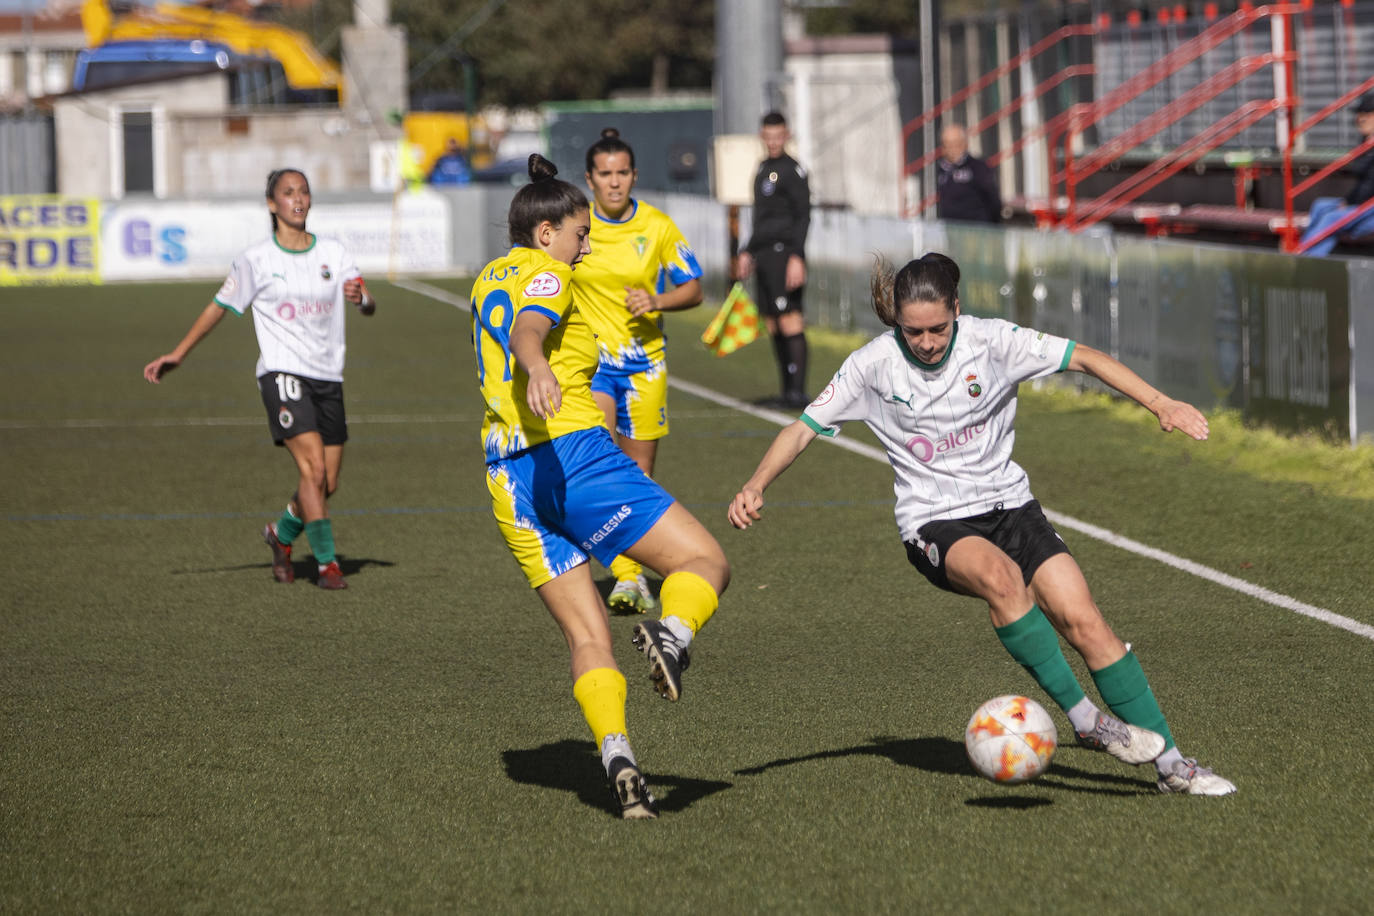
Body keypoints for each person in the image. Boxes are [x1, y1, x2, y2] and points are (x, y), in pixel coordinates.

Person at [727, 252, 1236, 797]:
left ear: (958, 310)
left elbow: (1083, 357)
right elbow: (802, 429)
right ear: (896, 320)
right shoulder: (871, 365)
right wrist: (756, 483)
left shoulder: (993, 341)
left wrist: (1160, 404)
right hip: (934, 520)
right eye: (912, 331)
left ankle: (1174, 766)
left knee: (1085, 621)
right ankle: (1086, 720)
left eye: (937, 328)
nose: (925, 342)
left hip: (1011, 507)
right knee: (1001, 579)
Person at [470, 154, 730, 819]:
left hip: (507, 477)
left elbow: (521, 326)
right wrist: (538, 368)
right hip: (572, 457)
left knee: (589, 637)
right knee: (706, 561)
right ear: (545, 232)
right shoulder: (552, 275)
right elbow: (533, 328)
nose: (587, 245)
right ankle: (672, 635)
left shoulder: (484, 279)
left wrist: (542, 368)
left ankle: (617, 757)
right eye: (579, 232)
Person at [143, 168, 377, 590]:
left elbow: (364, 298)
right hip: (281, 371)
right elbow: (219, 305)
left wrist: (364, 299)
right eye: (288, 193)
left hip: (328, 375)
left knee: (329, 482)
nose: (299, 199)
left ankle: (281, 535)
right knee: (313, 471)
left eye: (304, 191)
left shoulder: (335, 253)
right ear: (272, 204)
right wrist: (179, 353)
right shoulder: (255, 260)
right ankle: (327, 565)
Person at [574, 127, 705, 614]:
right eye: (604, 174)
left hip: (644, 368)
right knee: (600, 462)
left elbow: (693, 287)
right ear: (589, 179)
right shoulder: (577, 225)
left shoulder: (657, 227)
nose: (614, 183)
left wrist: (657, 299)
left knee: (637, 474)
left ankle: (632, 568)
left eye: (622, 173)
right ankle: (627, 576)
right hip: (593, 367)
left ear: (633, 175)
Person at [736, 110, 811, 409]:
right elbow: (762, 220)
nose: (773, 141)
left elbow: (803, 216)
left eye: (778, 136)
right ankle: (786, 390)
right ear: (761, 137)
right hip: (765, 255)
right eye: (768, 136)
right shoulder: (763, 168)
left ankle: (798, 392)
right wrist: (748, 251)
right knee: (773, 322)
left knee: (790, 319)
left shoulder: (793, 170)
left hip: (784, 253)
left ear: (787, 135)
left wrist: (797, 256)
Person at [1299, 91, 1374, 255]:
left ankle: (1306, 262)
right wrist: (1347, 201)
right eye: (1359, 114)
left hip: (1369, 208)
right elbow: (1364, 184)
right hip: (1364, 205)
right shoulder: (1365, 145)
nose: (1360, 119)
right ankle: (1306, 253)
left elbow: (1370, 186)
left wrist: (1348, 204)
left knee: (1331, 219)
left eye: (1367, 114)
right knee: (1320, 205)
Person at [935, 124, 1002, 224]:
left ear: (965, 144)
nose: (951, 149)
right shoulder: (941, 169)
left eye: (956, 144)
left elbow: (993, 200)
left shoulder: (978, 167)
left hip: (977, 229)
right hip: (951, 228)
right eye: (946, 145)